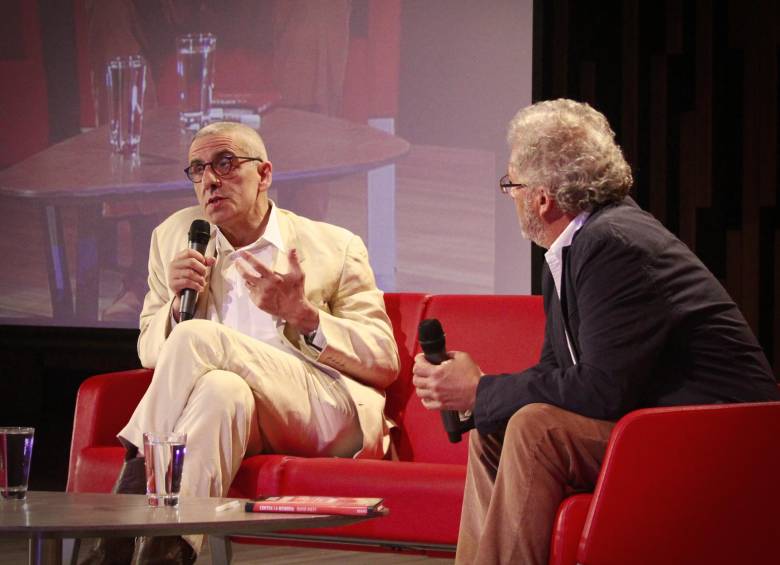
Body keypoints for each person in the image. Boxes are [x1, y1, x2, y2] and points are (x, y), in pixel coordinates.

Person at [411, 99, 780, 565]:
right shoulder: (572, 250)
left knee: (534, 427)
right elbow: (556, 372)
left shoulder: (614, 246)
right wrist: (483, 398)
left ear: (542, 198)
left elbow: (602, 389)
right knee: (497, 428)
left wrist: (480, 389)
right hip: (659, 425)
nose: (512, 197)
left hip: (720, 437)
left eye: (513, 185)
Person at [81, 121, 399, 565]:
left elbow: (384, 359)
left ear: (264, 175)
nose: (210, 179)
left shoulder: (334, 245)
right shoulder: (174, 237)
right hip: (244, 418)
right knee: (220, 391)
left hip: (327, 412)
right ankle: (166, 554)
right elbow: (151, 352)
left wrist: (303, 316)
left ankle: (115, 526)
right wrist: (176, 306)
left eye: (225, 164)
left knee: (199, 338)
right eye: (197, 169)